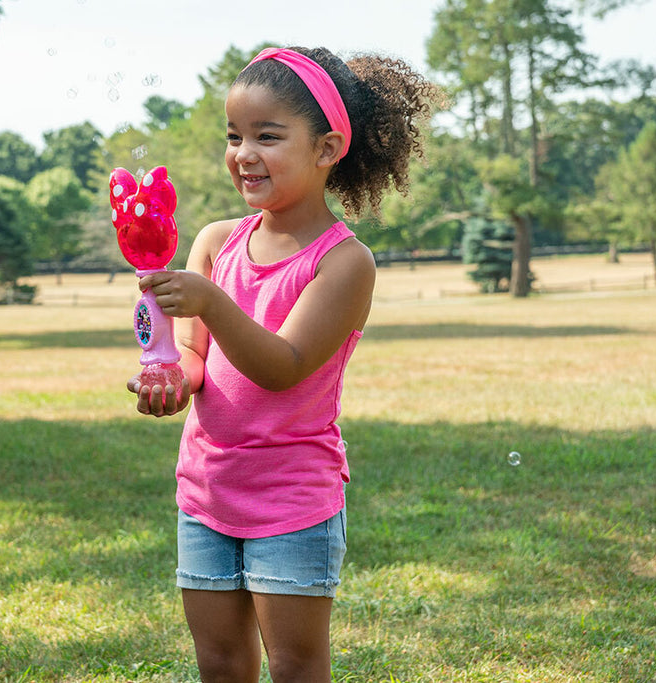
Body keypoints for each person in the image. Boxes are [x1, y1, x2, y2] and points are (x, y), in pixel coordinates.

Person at [127, 45, 440, 682]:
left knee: (295, 666)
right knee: (219, 662)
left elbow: (284, 366)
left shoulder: (343, 262)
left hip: (292, 497)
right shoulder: (216, 240)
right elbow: (194, 355)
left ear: (326, 149)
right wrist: (170, 382)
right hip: (207, 489)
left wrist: (211, 300)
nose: (244, 153)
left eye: (268, 136)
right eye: (234, 135)